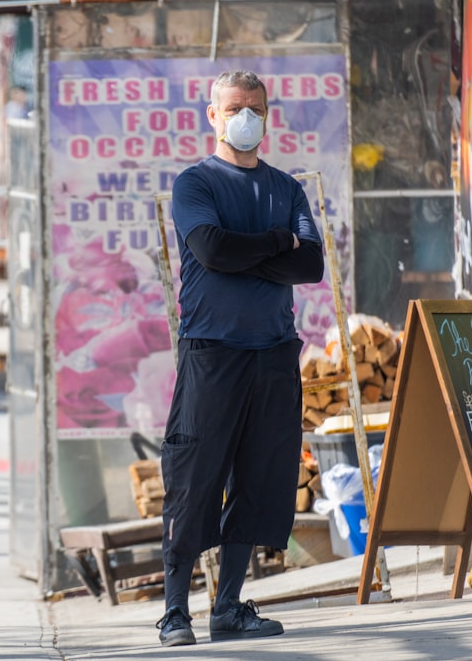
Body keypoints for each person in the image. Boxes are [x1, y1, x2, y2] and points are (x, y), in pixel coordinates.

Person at [154, 70, 324, 647]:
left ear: (268, 113)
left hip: (273, 352)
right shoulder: (195, 183)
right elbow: (211, 249)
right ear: (212, 114)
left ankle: (227, 607)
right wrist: (277, 242)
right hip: (212, 351)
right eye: (233, 107)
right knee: (193, 478)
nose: (244, 115)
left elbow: (311, 268)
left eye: (254, 106)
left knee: (258, 480)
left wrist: (251, 252)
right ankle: (175, 611)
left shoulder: (287, 188)